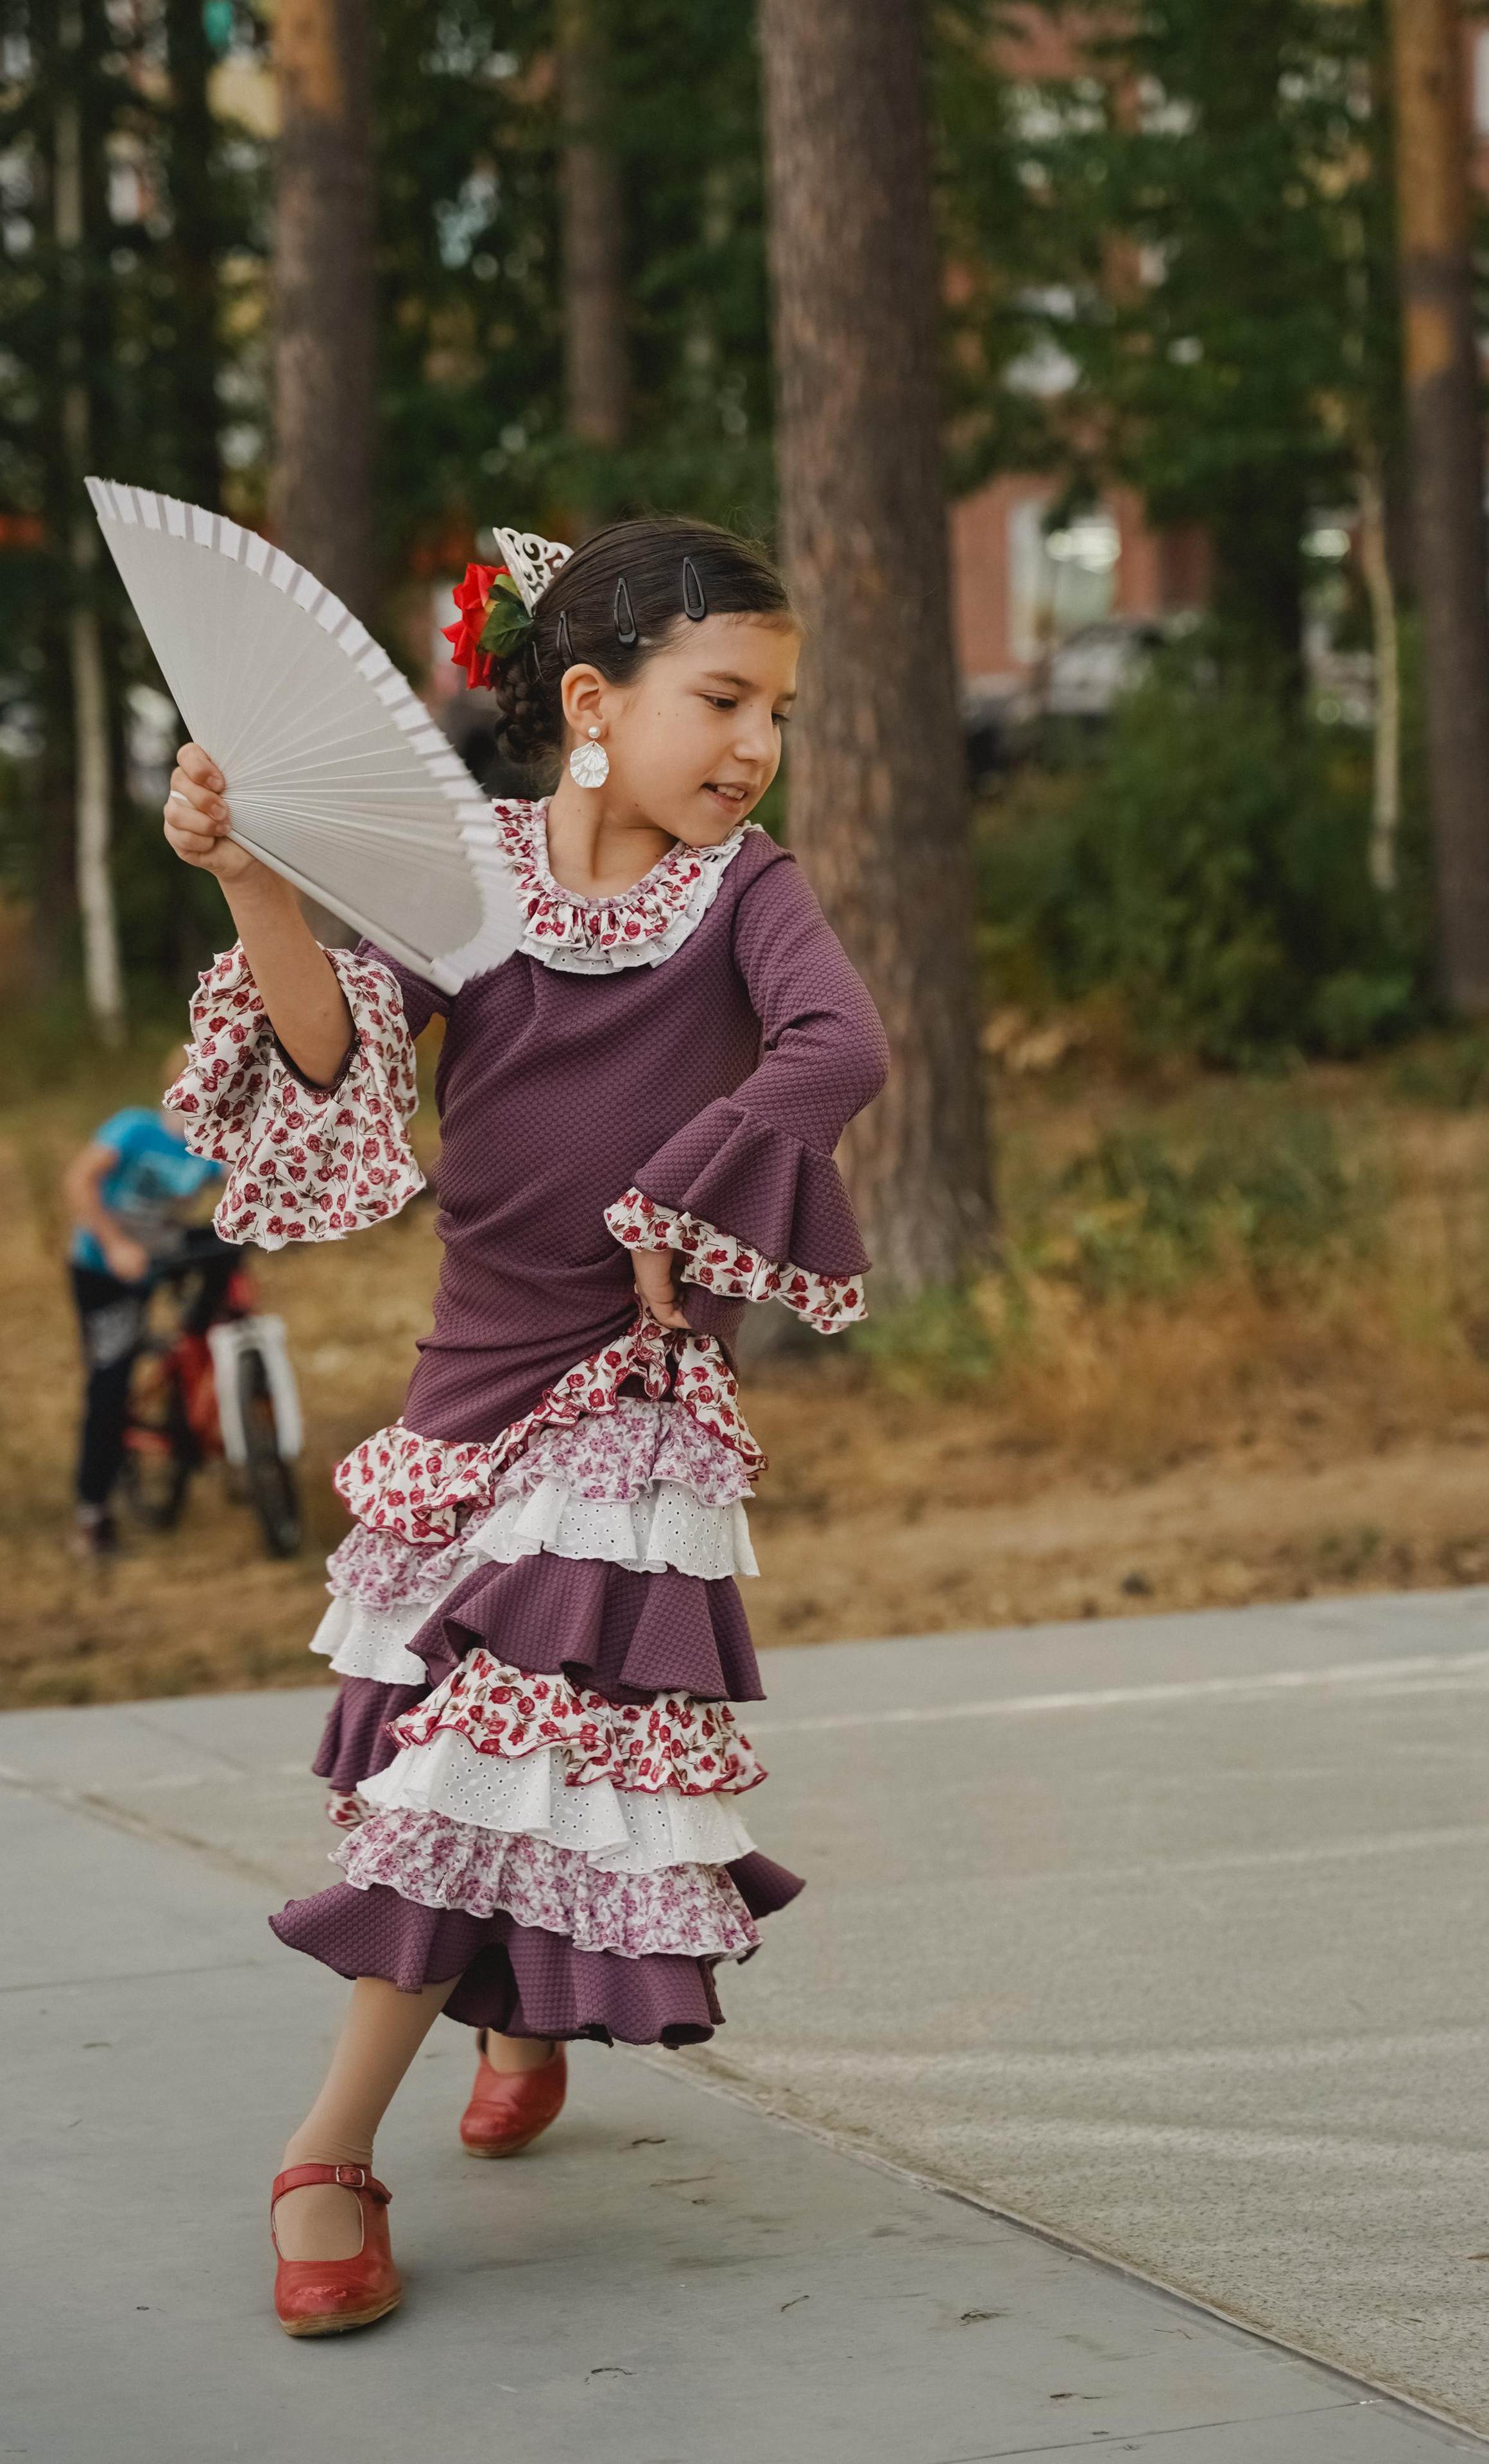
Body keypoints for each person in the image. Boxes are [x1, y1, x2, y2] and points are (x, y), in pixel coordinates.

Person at [160, 517, 888, 2338]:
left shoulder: (750, 892)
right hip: (464, 1389)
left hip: (627, 1412)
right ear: (591, 700)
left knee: (468, 1763)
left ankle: (323, 2152)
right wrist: (258, 884)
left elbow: (839, 1049)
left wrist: (676, 1201)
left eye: (776, 712)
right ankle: (504, 2008)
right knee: (448, 1762)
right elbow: (336, 1063)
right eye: (721, 698)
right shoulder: (464, 873)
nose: (753, 744)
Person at [62, 1061, 232, 1557]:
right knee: (111, 1380)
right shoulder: (134, 1128)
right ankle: (91, 1510)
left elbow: (252, 1180)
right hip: (104, 1269)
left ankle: (205, 1363)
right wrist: (114, 1245)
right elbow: (79, 1183)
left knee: (228, 1250)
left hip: (161, 1255)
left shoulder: (210, 1147)